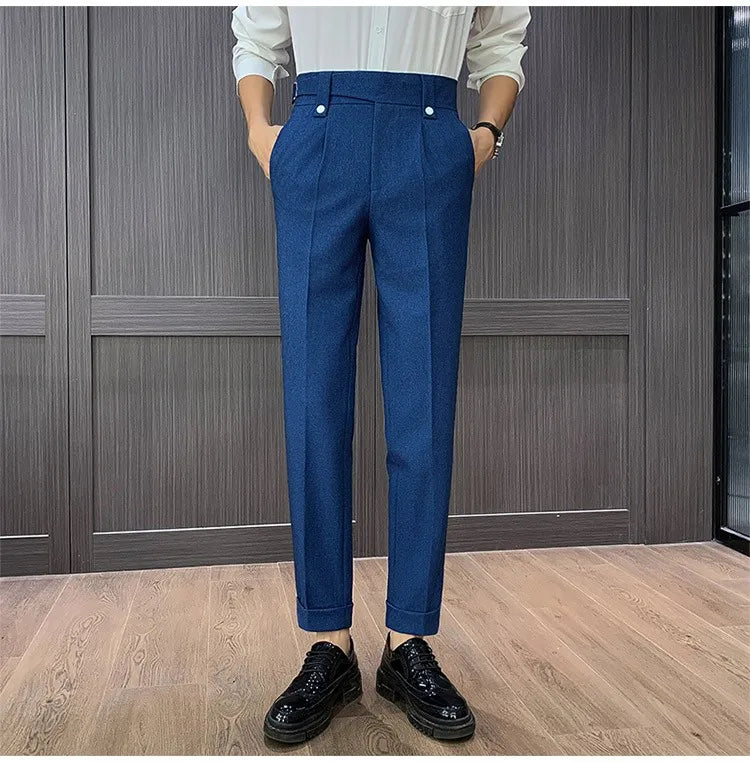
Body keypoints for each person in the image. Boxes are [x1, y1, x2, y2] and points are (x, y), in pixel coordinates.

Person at [230, 5, 531, 743]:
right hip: (318, 130)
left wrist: (483, 135)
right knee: (313, 401)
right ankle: (329, 643)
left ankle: (408, 641)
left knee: (423, 404)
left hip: (428, 136)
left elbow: (500, 42)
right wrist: (262, 132)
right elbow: (257, 35)